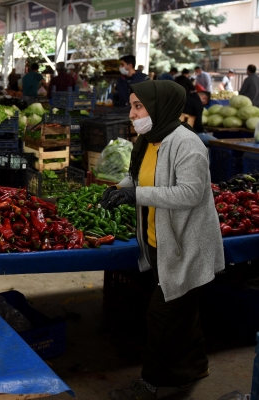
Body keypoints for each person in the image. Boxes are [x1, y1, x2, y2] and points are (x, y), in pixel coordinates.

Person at [103, 80, 223, 400]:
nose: (132, 114)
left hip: (187, 245)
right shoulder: (148, 140)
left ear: (160, 107)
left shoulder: (188, 144)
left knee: (162, 315)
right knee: (183, 310)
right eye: (131, 106)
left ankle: (151, 384)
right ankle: (194, 365)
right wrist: (119, 188)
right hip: (159, 242)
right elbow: (138, 175)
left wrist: (136, 194)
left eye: (138, 106)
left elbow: (189, 193)